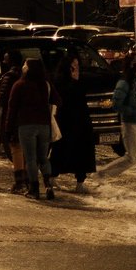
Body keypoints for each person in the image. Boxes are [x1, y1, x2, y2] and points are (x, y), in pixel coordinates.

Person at [6, 58, 61, 200]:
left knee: (30, 159)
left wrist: (8, 128)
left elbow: (12, 108)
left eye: (25, 64)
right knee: (43, 157)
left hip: (26, 125)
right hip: (44, 125)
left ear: (28, 68)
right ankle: (48, 186)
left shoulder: (19, 85)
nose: (23, 66)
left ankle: (34, 189)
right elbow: (58, 100)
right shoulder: (46, 84)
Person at [48, 52, 97, 193]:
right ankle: (52, 177)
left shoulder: (78, 82)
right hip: (67, 123)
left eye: (77, 66)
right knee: (61, 151)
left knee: (82, 153)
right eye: (73, 66)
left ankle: (80, 182)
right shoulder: (61, 83)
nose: (76, 69)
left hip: (81, 123)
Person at [101, 56, 136, 176]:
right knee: (132, 158)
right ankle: (102, 173)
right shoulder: (124, 83)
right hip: (131, 123)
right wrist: (133, 111)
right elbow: (116, 105)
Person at [0, 48, 27, 193]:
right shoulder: (25, 75)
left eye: (6, 59)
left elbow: (2, 99)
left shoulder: (9, 77)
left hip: (12, 117)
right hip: (26, 117)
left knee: (14, 149)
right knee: (24, 150)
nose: (3, 61)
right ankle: (27, 180)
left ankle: (20, 182)